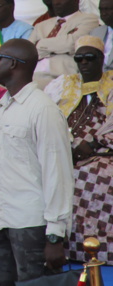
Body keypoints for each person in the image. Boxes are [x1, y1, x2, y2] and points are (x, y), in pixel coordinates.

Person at [0, 39, 73, 285]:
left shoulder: (43, 108)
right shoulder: (0, 108)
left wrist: (55, 236)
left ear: (13, 64)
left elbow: (57, 173)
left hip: (30, 222)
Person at [44, 35, 113, 263]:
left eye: (90, 58)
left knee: (92, 174)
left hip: (102, 153)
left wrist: (94, 145)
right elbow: (45, 116)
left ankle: (95, 250)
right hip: (60, 149)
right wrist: (62, 145)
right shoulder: (62, 83)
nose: (84, 63)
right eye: (79, 58)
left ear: (102, 59)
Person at [29, 0, 98, 89]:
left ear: (76, 0)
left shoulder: (89, 19)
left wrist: (40, 44)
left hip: (63, 78)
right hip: (33, 76)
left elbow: (72, 44)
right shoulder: (41, 25)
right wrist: (59, 46)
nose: (56, 2)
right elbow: (29, 52)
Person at [90, 0, 113, 73]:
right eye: (101, 9)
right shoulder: (96, 32)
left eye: (107, 9)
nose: (103, 13)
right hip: (99, 80)